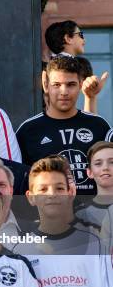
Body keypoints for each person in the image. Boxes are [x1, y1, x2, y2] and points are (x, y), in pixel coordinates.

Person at [11, 156, 111, 287]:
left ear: (71, 192)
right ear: (30, 197)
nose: (52, 195)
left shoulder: (95, 243)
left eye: (59, 188)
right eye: (43, 189)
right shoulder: (19, 252)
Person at [16, 55, 111, 195]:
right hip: (48, 213)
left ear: (80, 84)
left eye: (71, 84)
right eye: (57, 85)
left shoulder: (99, 125)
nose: (64, 92)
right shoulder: (28, 130)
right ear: (46, 85)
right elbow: (21, 182)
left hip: (97, 214)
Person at [44, 20, 108, 113]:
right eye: (80, 35)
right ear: (68, 38)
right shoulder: (79, 67)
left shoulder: (45, 67)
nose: (84, 40)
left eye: (71, 84)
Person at [77, 142, 113, 252]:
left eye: (112, 162)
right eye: (98, 163)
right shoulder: (80, 215)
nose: (105, 168)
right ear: (89, 172)